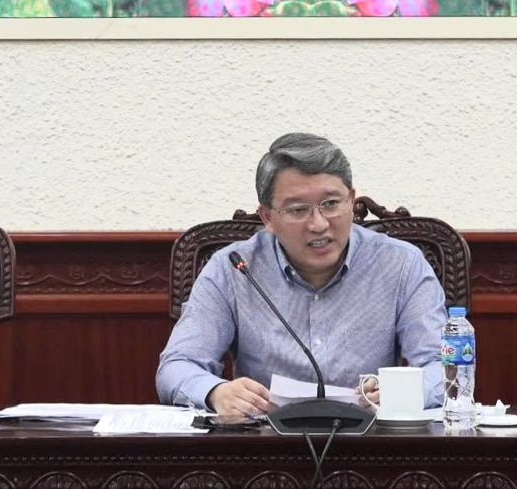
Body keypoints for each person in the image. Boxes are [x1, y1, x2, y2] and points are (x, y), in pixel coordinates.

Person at [157, 133, 447, 417]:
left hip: (370, 440)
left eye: (331, 204)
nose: (318, 224)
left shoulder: (401, 264)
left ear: (351, 200)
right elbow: (178, 365)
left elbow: (444, 364)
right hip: (265, 441)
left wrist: (402, 390)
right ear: (267, 217)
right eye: (298, 210)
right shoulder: (234, 269)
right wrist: (216, 392)